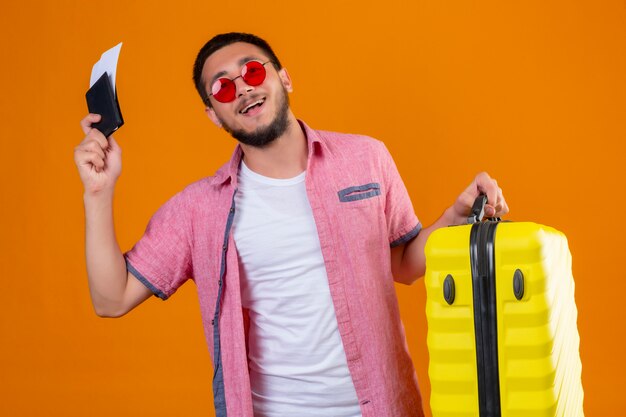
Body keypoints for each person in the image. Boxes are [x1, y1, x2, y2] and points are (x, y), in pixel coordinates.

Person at [74, 32, 508, 417]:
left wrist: (454, 217)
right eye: (222, 88)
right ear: (213, 115)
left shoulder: (366, 159)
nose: (242, 88)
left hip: (383, 405)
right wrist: (99, 194)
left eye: (252, 71)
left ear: (284, 78)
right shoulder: (198, 209)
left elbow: (404, 264)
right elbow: (111, 300)